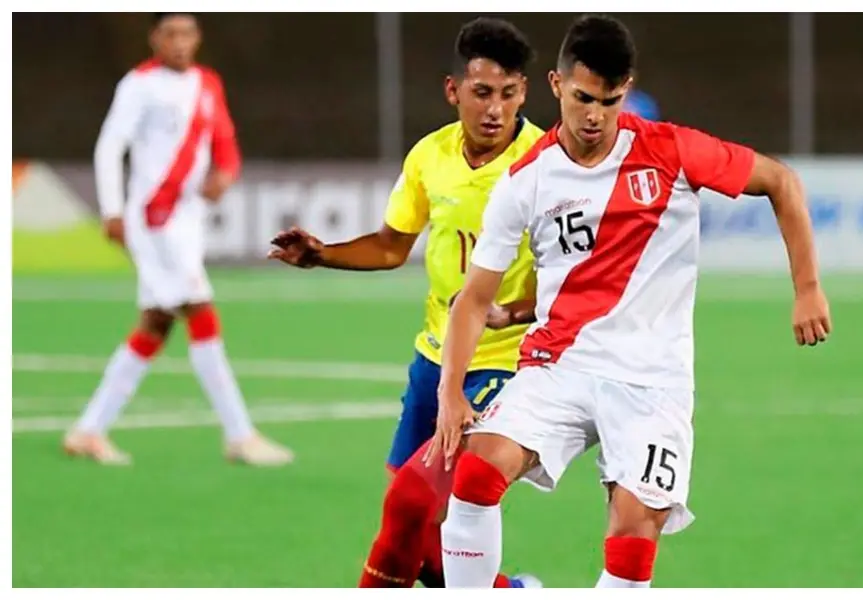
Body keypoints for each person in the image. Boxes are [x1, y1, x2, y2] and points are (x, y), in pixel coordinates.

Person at [426, 14, 832, 588]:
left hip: (652, 381)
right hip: (560, 365)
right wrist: (450, 393)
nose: (595, 116)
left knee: (632, 541)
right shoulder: (526, 179)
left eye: (610, 101)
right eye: (583, 98)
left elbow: (781, 182)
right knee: (474, 476)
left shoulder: (672, 151)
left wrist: (807, 288)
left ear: (627, 91)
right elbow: (473, 299)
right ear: (556, 86)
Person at [268, 17, 542, 589]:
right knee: (419, 534)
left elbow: (574, 271)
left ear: (524, 92)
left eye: (509, 93)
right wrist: (323, 255)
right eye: (481, 92)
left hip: (508, 364)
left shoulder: (544, 164)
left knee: (412, 503)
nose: (495, 109)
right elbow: (392, 246)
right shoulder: (429, 156)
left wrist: (516, 311)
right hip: (434, 359)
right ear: (453, 90)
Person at [66, 12, 293, 467]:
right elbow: (110, 146)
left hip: (188, 221)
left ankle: (88, 430)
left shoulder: (207, 83)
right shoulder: (139, 84)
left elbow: (225, 141)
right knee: (200, 310)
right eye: (170, 33)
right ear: (154, 38)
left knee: (156, 323)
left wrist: (225, 174)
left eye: (187, 33)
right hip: (154, 218)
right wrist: (112, 210)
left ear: (198, 37)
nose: (179, 42)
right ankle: (240, 434)